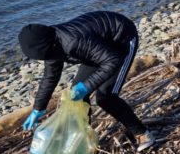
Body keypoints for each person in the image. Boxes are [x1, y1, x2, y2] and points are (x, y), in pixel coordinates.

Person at [18, 11, 155, 152]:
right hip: (98, 47)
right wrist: (38, 108)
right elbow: (50, 77)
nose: (43, 59)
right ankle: (81, 139)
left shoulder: (73, 42)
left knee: (106, 97)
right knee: (76, 98)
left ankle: (142, 133)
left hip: (121, 39)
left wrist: (87, 86)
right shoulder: (50, 45)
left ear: (46, 46)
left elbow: (113, 60)